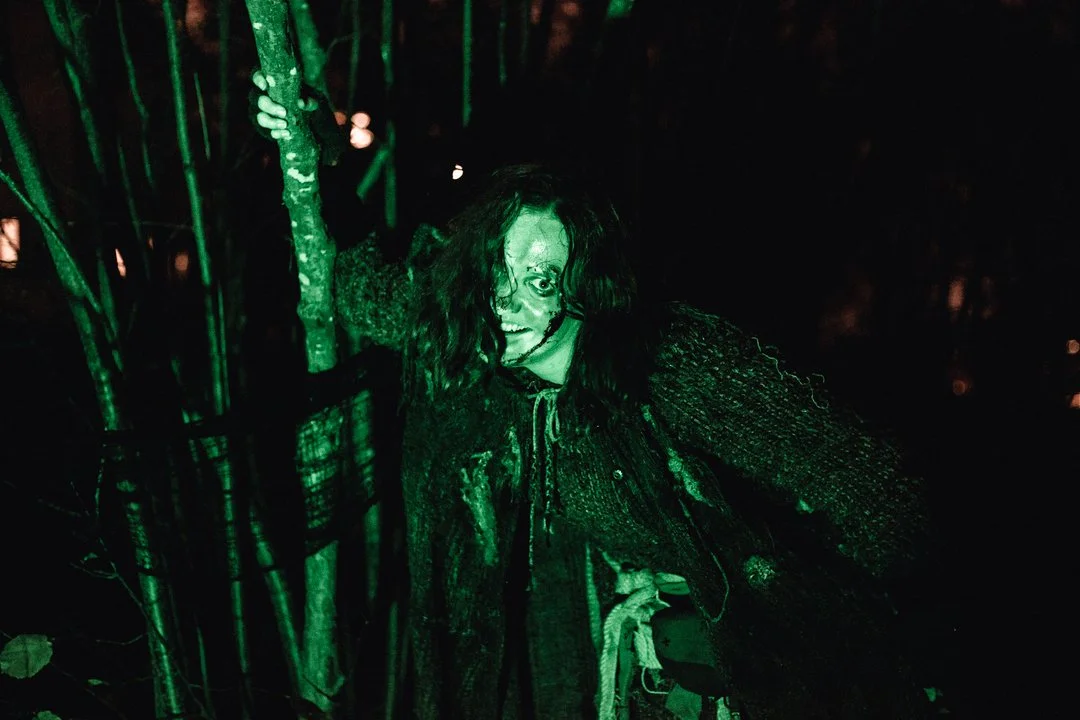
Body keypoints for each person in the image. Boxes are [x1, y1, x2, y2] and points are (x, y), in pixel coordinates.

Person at [254, 83, 938, 719]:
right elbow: (364, 284)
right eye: (497, 273)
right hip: (580, 666)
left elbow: (878, 494)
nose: (507, 303)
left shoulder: (676, 365)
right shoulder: (470, 337)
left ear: (585, 281)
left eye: (540, 280)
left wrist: (787, 612)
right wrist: (321, 158)